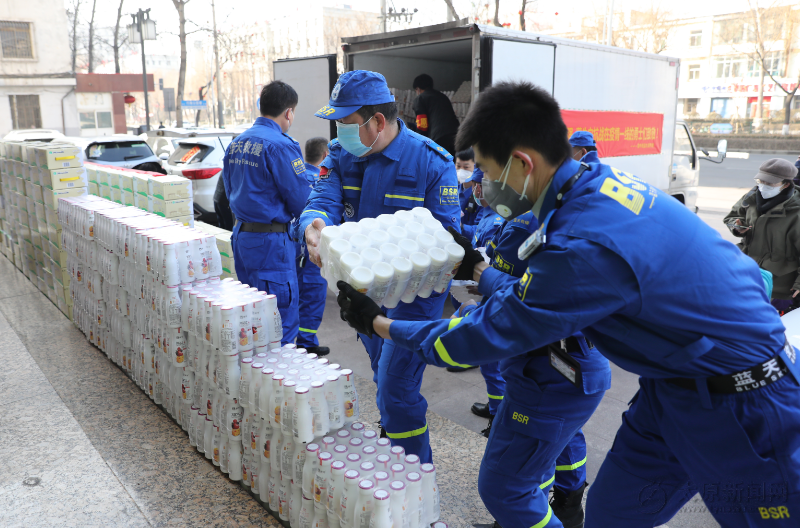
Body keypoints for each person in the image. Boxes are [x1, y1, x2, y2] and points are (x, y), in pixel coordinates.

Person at [336, 81, 800, 528]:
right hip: (671, 386)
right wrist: (478, 268)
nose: (484, 186)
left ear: (522, 164)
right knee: (612, 515)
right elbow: (538, 293)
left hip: (744, 401)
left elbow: (489, 332)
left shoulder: (582, 240)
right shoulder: (590, 186)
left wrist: (379, 323)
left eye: (489, 173)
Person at [297, 70, 461, 463]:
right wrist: (312, 227)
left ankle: (413, 474)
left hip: (413, 299)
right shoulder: (341, 154)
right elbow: (321, 200)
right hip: (364, 294)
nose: (340, 132)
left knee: (395, 388)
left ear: (378, 121)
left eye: (347, 123)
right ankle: (394, 436)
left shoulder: (431, 161)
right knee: (381, 373)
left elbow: (446, 239)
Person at [222, 80, 311, 345]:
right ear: (289, 112)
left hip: (243, 238)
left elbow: (228, 190)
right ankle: (281, 372)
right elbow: (301, 201)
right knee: (279, 322)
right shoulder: (281, 145)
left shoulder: (237, 143)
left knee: (252, 320)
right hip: (271, 243)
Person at [724, 158, 800, 314]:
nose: (763, 186)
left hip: (779, 285)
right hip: (745, 272)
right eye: (761, 181)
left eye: (770, 183)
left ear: (786, 184)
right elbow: (732, 217)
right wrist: (738, 227)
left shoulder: (796, 212)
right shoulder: (751, 197)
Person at [294, 136, 331, 356]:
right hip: (312, 249)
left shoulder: (298, 177)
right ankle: (306, 342)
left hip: (293, 248)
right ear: (326, 155)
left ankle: (297, 338)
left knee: (296, 295)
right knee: (313, 296)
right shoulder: (323, 181)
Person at [412, 73, 460, 156]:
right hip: (456, 134)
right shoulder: (442, 96)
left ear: (418, 89)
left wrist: (419, 142)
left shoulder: (420, 98)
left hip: (439, 137)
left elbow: (422, 125)